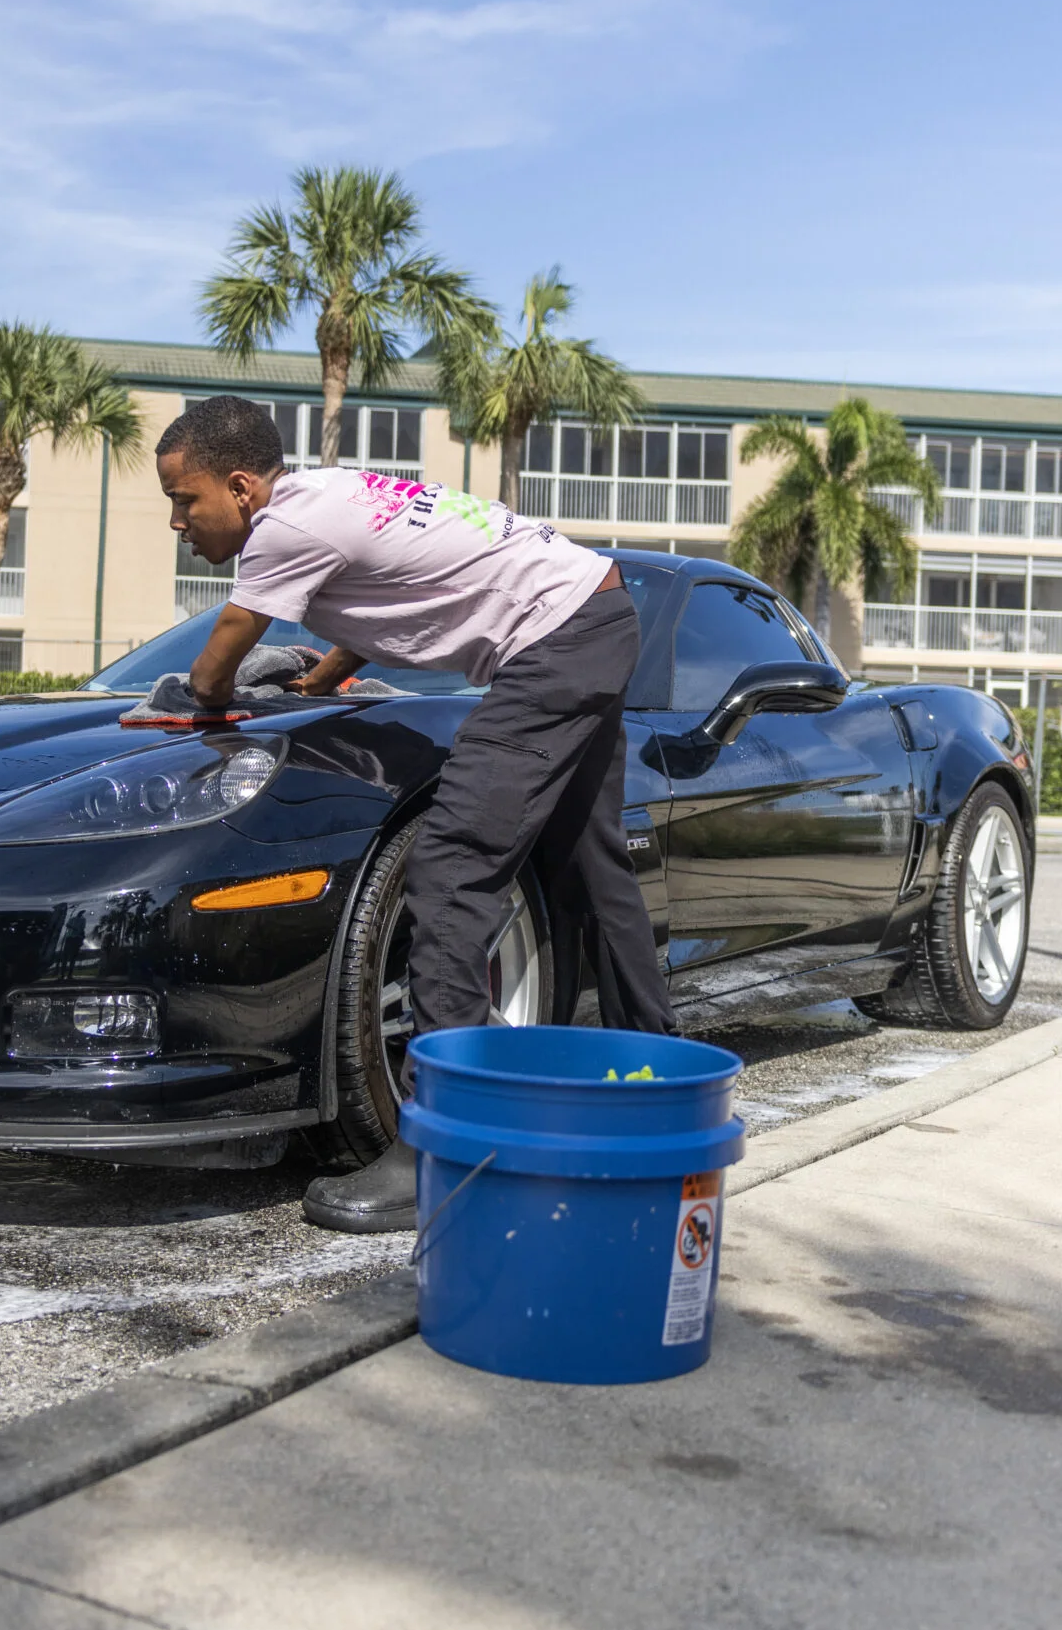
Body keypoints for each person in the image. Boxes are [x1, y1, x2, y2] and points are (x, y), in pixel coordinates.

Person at [154, 394, 674, 1233]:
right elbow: (396, 588)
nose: (179, 521)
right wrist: (322, 680)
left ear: (242, 487)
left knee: (451, 867)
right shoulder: (327, 498)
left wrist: (202, 696)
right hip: (592, 610)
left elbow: (231, 637)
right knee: (586, 855)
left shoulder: (285, 528)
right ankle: (655, 1076)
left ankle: (447, 1143)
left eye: (185, 500)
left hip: (554, 640)